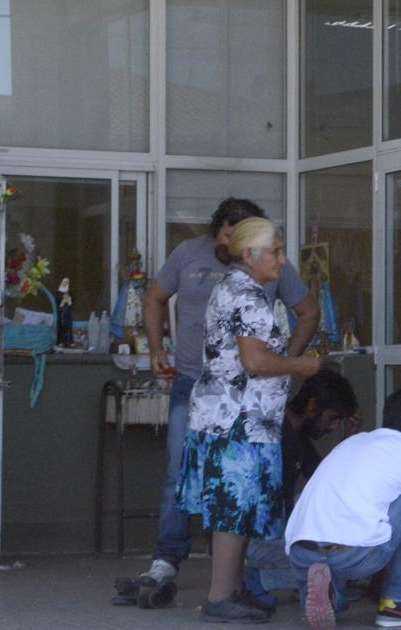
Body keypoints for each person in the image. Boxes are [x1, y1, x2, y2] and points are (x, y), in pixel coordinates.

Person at [139, 198, 319, 590]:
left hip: (228, 413)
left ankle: (235, 590)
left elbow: (305, 312)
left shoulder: (234, 285)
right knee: (231, 507)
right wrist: (300, 365)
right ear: (250, 253)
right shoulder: (247, 295)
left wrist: (285, 360)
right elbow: (254, 362)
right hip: (238, 419)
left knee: (233, 508)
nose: (283, 261)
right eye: (276, 252)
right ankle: (219, 593)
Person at [285, 389, 401, 628]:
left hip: (301, 551)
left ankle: (333, 596)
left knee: (332, 598)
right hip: (353, 555)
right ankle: (398, 604)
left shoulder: (354, 442)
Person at [243, 369, 361, 610]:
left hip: (276, 532)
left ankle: (311, 583)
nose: (333, 427)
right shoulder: (272, 432)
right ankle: (257, 578)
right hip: (252, 539)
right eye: (332, 418)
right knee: (336, 565)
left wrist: (348, 439)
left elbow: (327, 483)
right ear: (312, 405)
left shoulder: (298, 438)